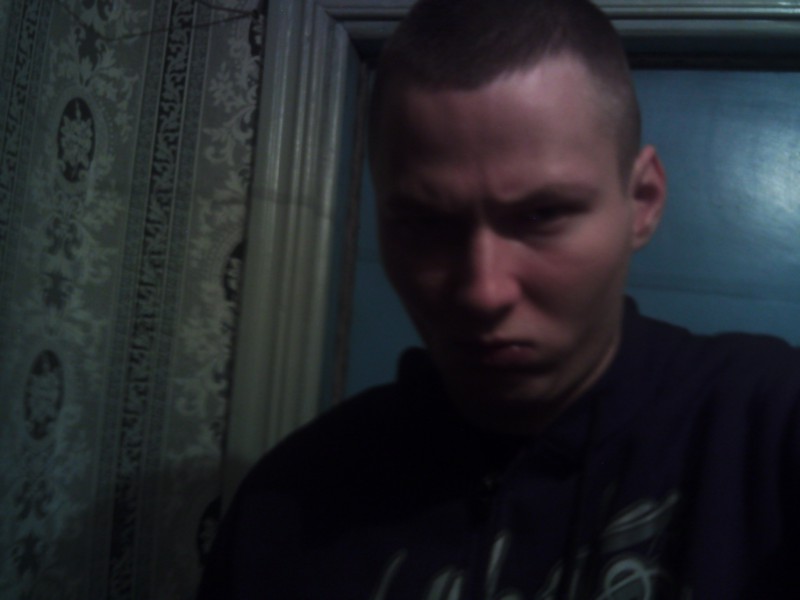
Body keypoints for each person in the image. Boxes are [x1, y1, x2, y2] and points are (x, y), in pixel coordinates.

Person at [198, 0, 800, 597]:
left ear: (641, 202)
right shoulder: (289, 502)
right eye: (426, 224)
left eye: (543, 214)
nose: (484, 293)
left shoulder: (766, 428)